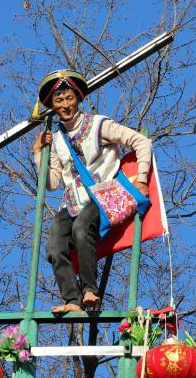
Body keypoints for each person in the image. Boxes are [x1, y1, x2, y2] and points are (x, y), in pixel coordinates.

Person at [32, 69, 152, 313]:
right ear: (52, 106)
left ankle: (90, 290)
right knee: (54, 244)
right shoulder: (56, 139)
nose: (65, 105)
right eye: (59, 100)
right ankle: (72, 300)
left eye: (69, 98)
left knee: (81, 228)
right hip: (72, 202)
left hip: (103, 195)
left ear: (78, 98)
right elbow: (52, 182)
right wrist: (38, 152)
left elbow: (141, 141)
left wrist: (142, 179)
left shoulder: (98, 125)